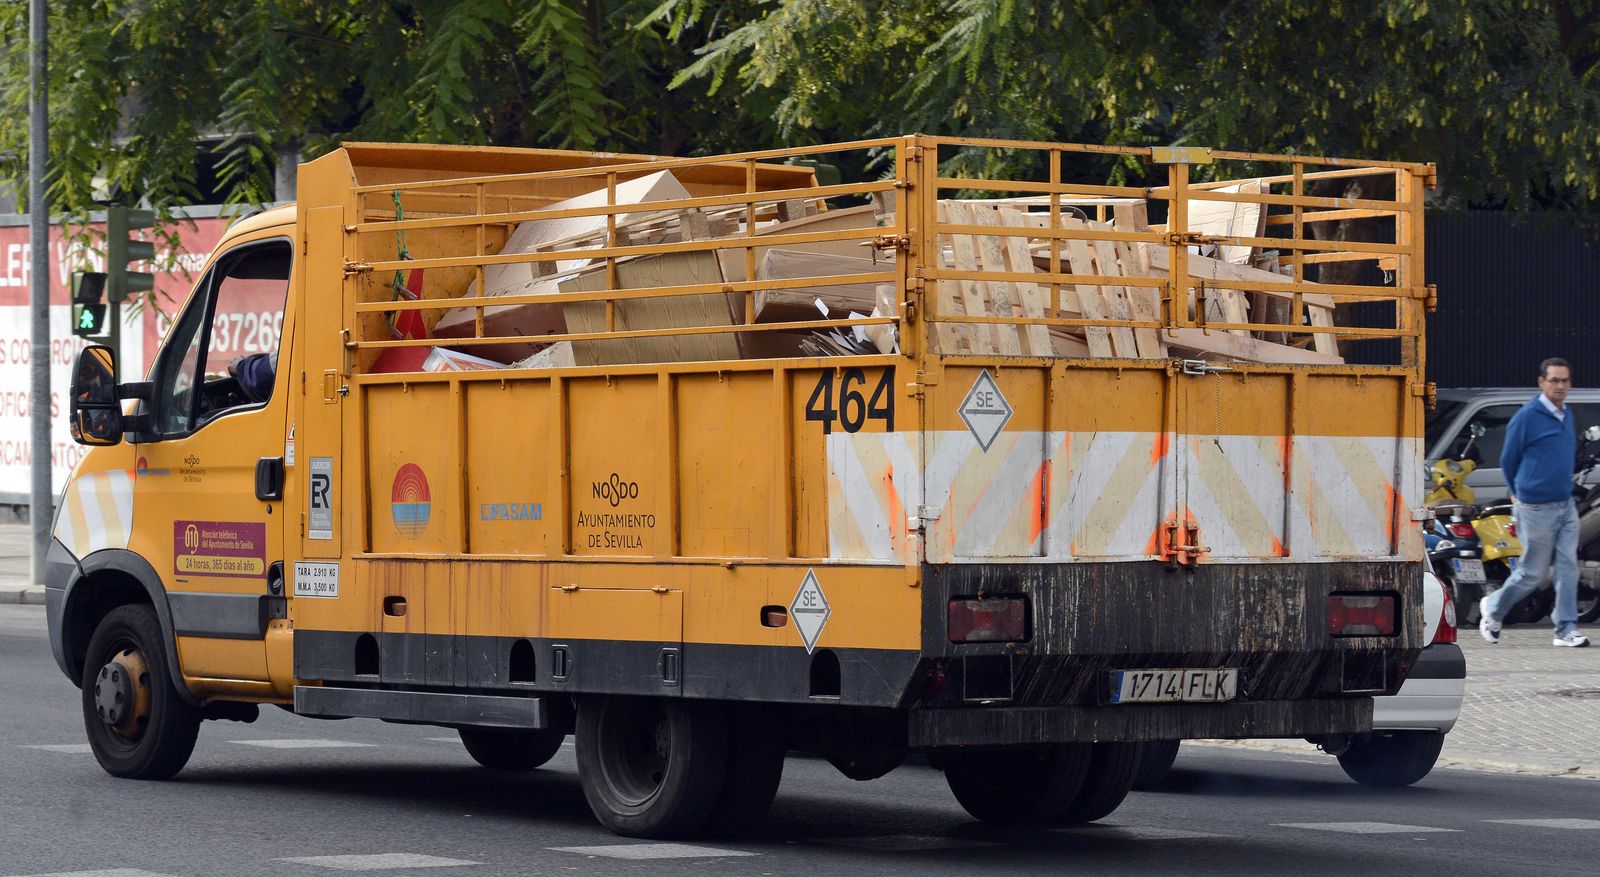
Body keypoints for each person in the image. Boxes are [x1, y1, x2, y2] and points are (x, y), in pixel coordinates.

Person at [1480, 357, 1590, 647]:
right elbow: (1508, 458)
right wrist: (1516, 493)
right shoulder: (1527, 416)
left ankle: (1566, 629)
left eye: (1564, 380)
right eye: (1554, 380)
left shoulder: (1567, 416)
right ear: (1541, 382)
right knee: (1532, 573)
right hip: (1534, 507)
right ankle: (1492, 608)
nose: (1560, 386)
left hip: (1564, 505)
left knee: (1569, 567)